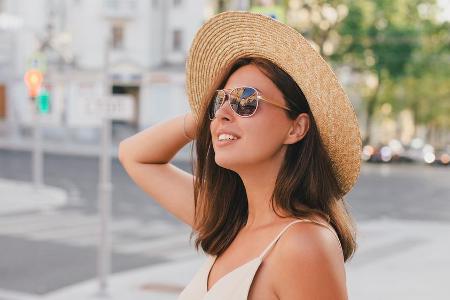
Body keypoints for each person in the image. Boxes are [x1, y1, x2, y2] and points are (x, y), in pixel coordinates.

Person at [119, 11, 362, 300]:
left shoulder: (305, 243)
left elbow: (137, 158)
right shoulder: (231, 219)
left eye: (246, 100)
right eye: (220, 100)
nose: (223, 112)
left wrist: (221, 118)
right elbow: (133, 155)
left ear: (296, 128)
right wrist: (207, 117)